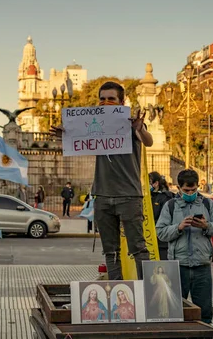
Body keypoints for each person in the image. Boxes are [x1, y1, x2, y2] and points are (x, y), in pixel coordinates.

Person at [51, 81, 153, 280]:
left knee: (138, 249)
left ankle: (147, 294)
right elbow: (78, 139)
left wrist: (139, 128)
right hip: (102, 196)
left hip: (129, 196)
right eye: (103, 98)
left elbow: (148, 141)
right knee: (110, 251)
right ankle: (117, 293)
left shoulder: (131, 123)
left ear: (121, 102)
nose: (106, 102)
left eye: (111, 99)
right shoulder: (93, 124)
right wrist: (66, 136)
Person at [156, 169, 213, 324]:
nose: (190, 193)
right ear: (179, 188)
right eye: (187, 190)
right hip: (178, 267)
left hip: (202, 267)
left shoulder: (208, 204)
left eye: (194, 190)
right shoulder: (171, 206)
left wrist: (206, 225)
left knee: (204, 313)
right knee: (175, 312)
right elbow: (160, 233)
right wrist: (178, 227)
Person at [149, 172, 174, 261]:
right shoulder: (148, 196)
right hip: (149, 238)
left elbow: (164, 217)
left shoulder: (166, 197)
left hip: (161, 241)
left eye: (150, 182)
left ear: (156, 183)